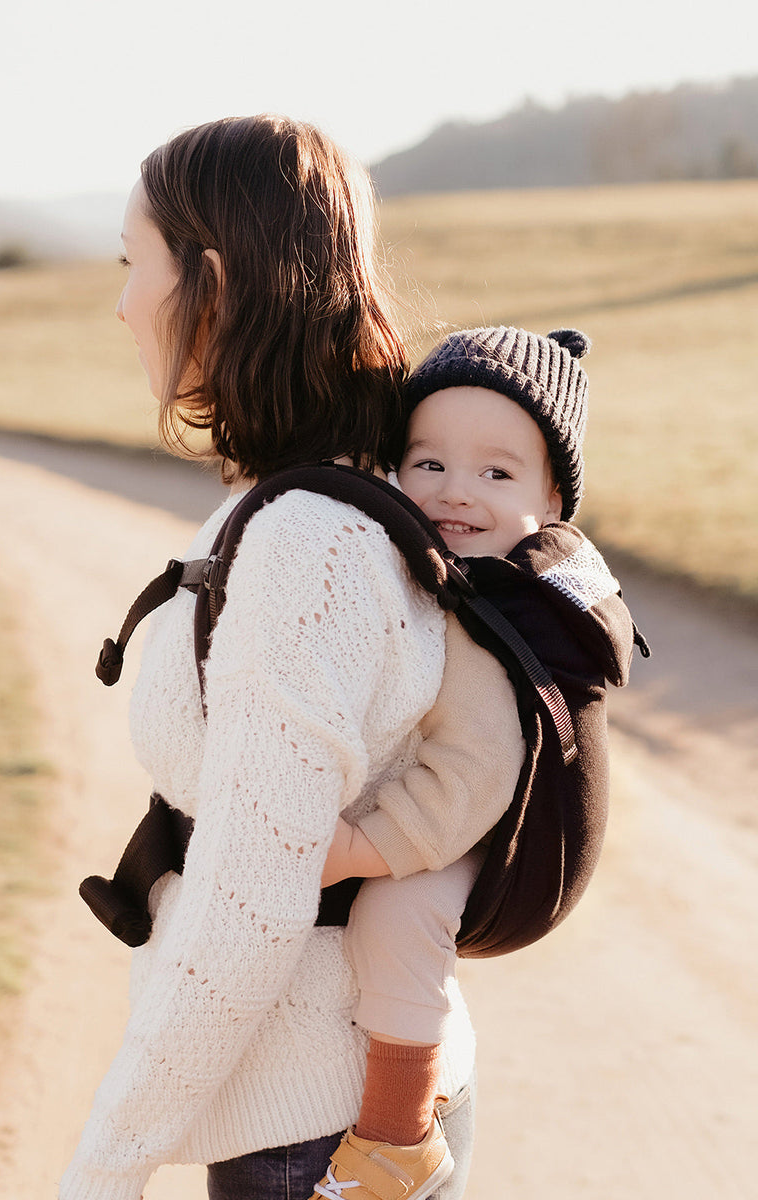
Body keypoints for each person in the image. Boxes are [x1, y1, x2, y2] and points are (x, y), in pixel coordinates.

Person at [60, 116, 501, 1200]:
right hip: (329, 1111)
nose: (121, 305)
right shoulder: (322, 496)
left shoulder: (307, 548)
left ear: (210, 285)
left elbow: (252, 908)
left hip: (316, 1143)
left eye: (134, 265)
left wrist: (106, 1165)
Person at [311, 324, 632, 1200]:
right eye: (428, 463)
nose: (457, 493)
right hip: (481, 805)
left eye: (497, 473)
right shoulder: (434, 564)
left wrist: (355, 849)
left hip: (515, 841)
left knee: (397, 914)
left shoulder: (505, 604)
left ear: (553, 501)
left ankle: (394, 1141)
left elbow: (476, 772)